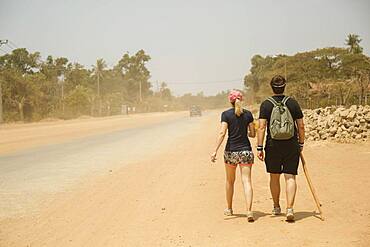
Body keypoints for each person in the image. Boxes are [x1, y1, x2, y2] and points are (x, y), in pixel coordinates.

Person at [256, 75, 305, 222]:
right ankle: (289, 208)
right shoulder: (293, 103)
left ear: (271, 87)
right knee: (290, 176)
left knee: (274, 176)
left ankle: (276, 207)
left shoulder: (266, 105)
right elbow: (301, 126)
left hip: (272, 145)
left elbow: (262, 127)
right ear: (285, 86)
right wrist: (301, 144)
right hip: (291, 144)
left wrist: (259, 147)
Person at [210, 90, 256, 222]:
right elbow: (252, 134)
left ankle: (229, 209)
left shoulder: (226, 114)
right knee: (246, 181)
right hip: (246, 151)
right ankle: (249, 211)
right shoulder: (248, 114)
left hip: (231, 152)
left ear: (230, 101)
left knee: (230, 181)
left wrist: (215, 150)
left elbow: (222, 133)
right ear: (241, 100)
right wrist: (246, 129)